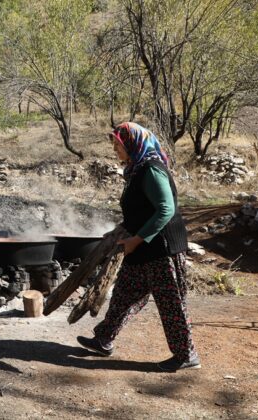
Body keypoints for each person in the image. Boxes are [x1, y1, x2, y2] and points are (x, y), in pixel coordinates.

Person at [76, 122, 200, 371]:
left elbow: (166, 209)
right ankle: (104, 339)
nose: (114, 150)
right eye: (114, 144)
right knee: (124, 294)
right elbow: (140, 210)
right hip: (143, 245)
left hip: (161, 247)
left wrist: (135, 240)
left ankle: (186, 355)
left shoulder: (151, 170)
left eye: (118, 145)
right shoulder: (136, 169)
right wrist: (118, 233)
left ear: (133, 144)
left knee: (170, 302)